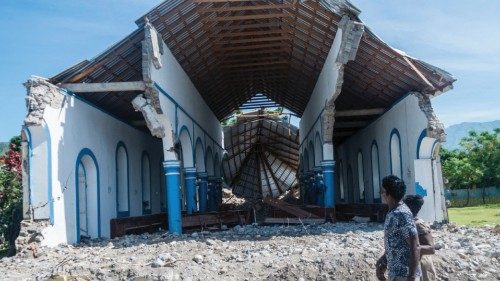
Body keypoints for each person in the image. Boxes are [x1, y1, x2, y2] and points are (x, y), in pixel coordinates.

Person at [376, 175, 421, 281]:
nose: (381, 194)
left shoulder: (402, 214)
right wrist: (384, 261)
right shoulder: (393, 213)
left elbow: (415, 246)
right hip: (396, 274)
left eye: (382, 191)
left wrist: (412, 276)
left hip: (405, 275)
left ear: (388, 193)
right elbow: (396, 243)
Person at [403, 195, 437, 281]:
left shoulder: (419, 224)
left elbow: (431, 248)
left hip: (422, 265)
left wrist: (413, 248)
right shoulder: (406, 223)